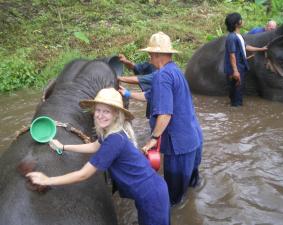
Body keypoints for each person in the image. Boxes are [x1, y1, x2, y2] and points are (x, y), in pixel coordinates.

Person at [26, 88, 170, 225]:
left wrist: (48, 180)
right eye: (98, 110)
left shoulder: (114, 140)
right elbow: (94, 146)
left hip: (152, 196)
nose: (100, 115)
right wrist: (63, 146)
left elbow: (83, 174)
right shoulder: (111, 132)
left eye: (106, 111)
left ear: (116, 114)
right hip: (146, 192)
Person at [119, 32, 203, 205]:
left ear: (158, 55)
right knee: (191, 188)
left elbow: (165, 113)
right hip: (193, 139)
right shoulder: (176, 71)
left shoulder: (161, 76)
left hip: (178, 146)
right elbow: (151, 95)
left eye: (150, 55)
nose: (149, 59)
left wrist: (153, 139)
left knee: (173, 199)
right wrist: (127, 93)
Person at [224, 13, 268, 107]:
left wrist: (261, 49)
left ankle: (234, 112)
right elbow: (232, 55)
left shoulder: (238, 36)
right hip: (236, 69)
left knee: (238, 92)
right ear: (237, 23)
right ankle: (236, 115)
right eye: (241, 19)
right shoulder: (232, 37)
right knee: (237, 95)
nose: (242, 21)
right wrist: (235, 71)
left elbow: (246, 47)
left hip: (240, 67)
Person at [118, 54, 157, 119]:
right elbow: (136, 67)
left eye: (151, 54)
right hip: (152, 102)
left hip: (159, 108)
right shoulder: (151, 65)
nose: (149, 56)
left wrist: (119, 78)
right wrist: (126, 61)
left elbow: (140, 79)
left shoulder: (163, 73)